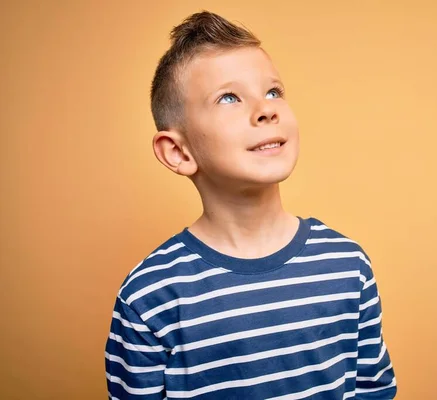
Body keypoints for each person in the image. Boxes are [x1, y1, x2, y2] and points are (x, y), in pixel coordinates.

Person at [105, 10, 396, 399]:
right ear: (178, 151)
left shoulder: (347, 265)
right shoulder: (150, 294)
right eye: (229, 97)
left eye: (273, 92)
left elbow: (374, 390)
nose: (266, 109)